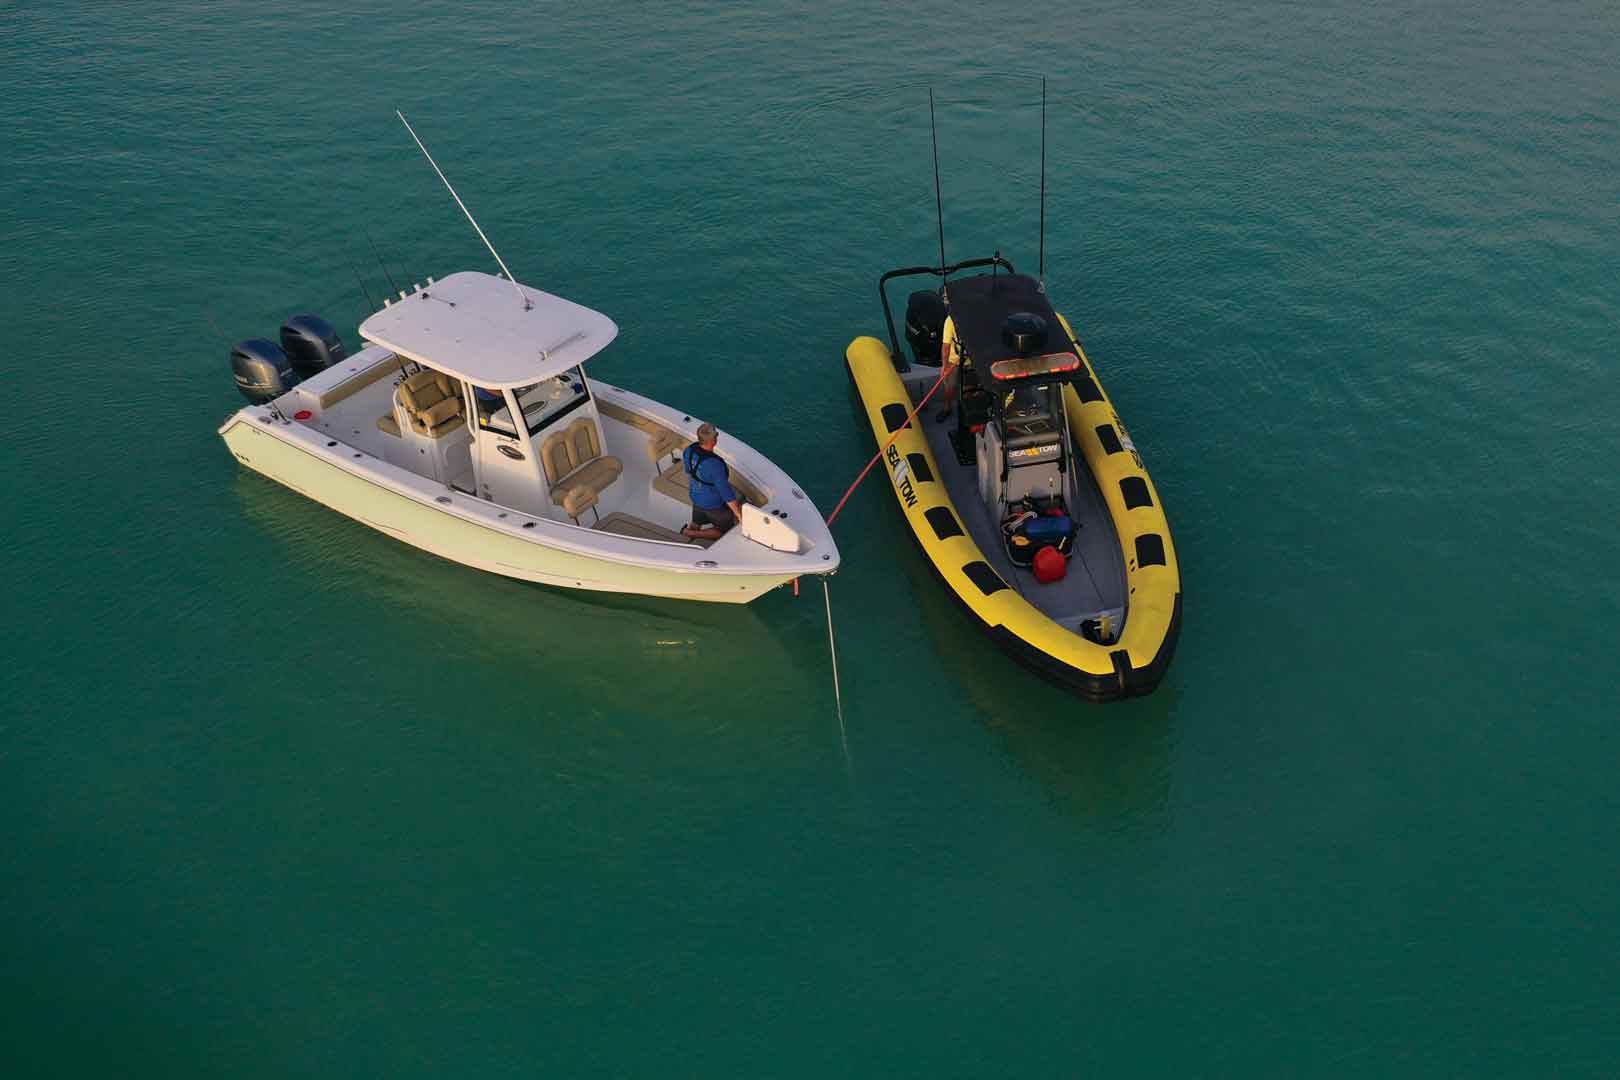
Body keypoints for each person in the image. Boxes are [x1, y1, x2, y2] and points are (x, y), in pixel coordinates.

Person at [680, 422, 744, 540]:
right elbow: (726, 493)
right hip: (713, 503)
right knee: (723, 532)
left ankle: (692, 530)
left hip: (695, 495)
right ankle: (690, 534)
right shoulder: (715, 465)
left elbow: (688, 471)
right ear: (714, 441)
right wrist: (739, 514)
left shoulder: (689, 450)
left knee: (696, 521)